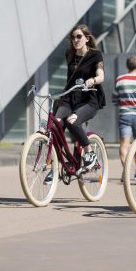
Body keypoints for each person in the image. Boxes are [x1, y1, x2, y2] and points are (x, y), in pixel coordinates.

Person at [45, 24, 106, 184]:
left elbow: (101, 75)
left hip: (89, 99)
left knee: (72, 121)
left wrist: (93, 80)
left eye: (79, 36)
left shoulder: (95, 55)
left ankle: (89, 153)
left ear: (87, 38)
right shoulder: (69, 54)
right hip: (69, 98)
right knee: (55, 126)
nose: (75, 40)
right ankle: (55, 167)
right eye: (73, 37)